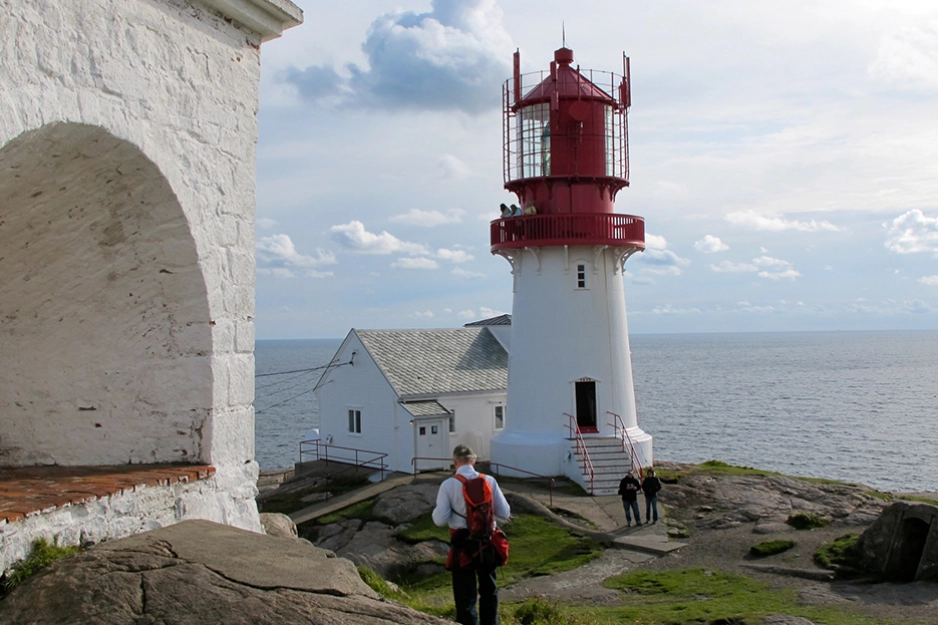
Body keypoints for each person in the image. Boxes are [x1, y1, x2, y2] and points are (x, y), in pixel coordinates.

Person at [433, 445, 510, 625]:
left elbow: (439, 520)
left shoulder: (448, 485)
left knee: (465, 596)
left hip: (463, 546)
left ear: (454, 462)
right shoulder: (489, 480)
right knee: (489, 591)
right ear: (474, 461)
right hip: (487, 542)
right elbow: (505, 512)